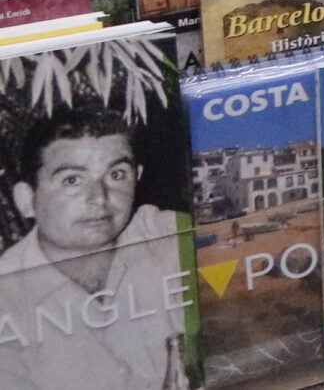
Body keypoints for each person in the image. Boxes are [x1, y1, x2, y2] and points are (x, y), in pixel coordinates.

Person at [0, 105, 187, 390]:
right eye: (72, 180)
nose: (99, 197)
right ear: (27, 199)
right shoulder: (7, 299)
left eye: (116, 175)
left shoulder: (163, 236)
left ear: (137, 178)